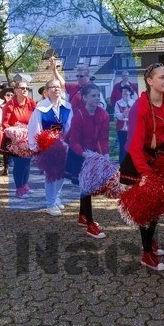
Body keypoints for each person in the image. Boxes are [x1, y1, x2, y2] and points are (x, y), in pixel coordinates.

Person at [124, 63, 164, 271]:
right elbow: (135, 146)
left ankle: (151, 241)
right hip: (141, 158)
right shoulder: (140, 108)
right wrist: (146, 174)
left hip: (161, 157)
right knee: (146, 205)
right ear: (149, 81)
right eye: (161, 77)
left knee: (159, 203)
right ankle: (146, 253)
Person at [66, 83, 110, 238]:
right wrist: (85, 154)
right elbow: (74, 141)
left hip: (96, 154)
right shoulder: (79, 115)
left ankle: (81, 216)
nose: (97, 98)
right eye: (93, 95)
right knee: (86, 188)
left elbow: (104, 138)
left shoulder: (103, 114)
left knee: (87, 188)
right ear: (84, 98)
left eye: (98, 95)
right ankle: (90, 224)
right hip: (80, 154)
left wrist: (104, 154)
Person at [28, 78, 73, 216]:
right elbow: (35, 128)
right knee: (51, 175)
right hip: (48, 146)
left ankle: (56, 197)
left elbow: (70, 126)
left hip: (64, 146)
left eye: (58, 86)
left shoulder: (67, 107)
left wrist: (70, 142)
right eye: (53, 87)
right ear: (46, 92)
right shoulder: (40, 108)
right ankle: (50, 204)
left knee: (62, 174)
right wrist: (37, 147)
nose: (56, 89)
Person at [3, 79, 37, 197]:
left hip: (29, 137)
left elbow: (36, 117)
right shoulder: (10, 104)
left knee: (27, 162)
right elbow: (5, 123)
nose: (25, 90)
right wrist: (15, 133)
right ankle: (19, 189)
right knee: (19, 164)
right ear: (16, 90)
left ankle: (25, 185)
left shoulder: (31, 102)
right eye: (22, 88)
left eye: (26, 88)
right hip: (15, 139)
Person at [114, 86, 136, 164]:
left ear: (130, 92)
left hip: (132, 129)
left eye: (126, 91)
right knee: (122, 147)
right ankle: (122, 164)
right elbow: (117, 114)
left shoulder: (134, 103)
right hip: (122, 128)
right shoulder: (118, 103)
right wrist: (123, 114)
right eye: (123, 91)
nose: (124, 93)